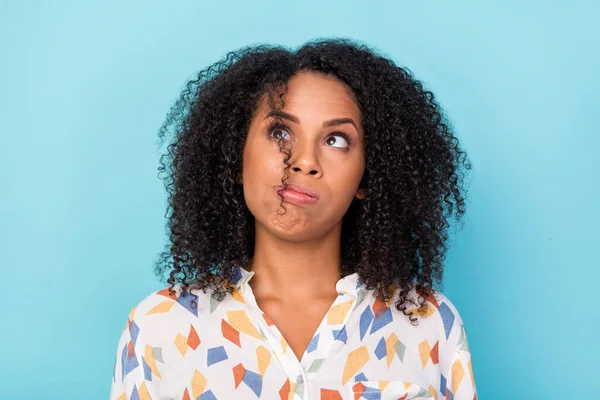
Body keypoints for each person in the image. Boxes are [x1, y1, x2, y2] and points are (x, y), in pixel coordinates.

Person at [109, 38, 476, 400]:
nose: (304, 161)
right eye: (280, 132)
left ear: (367, 177)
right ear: (236, 158)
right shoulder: (159, 326)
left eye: (336, 140)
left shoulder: (427, 322)